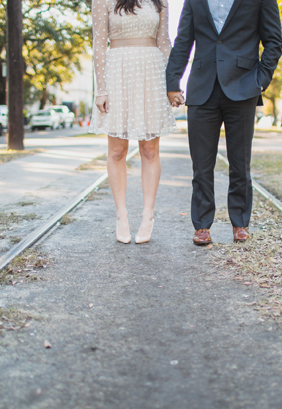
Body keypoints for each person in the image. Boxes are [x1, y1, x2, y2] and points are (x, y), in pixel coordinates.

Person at [165, 0, 282, 245]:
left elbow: (273, 41)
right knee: (201, 165)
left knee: (240, 163)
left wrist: (260, 79)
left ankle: (240, 222)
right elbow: (183, 40)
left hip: (244, 87)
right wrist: (173, 81)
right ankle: (202, 226)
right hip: (201, 88)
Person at [89, 0, 177, 244]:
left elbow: (164, 42)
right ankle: (121, 215)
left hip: (152, 71)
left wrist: (174, 84)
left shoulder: (160, 1)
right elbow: (99, 43)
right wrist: (101, 89)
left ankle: (148, 215)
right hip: (117, 71)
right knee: (117, 150)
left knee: (149, 149)